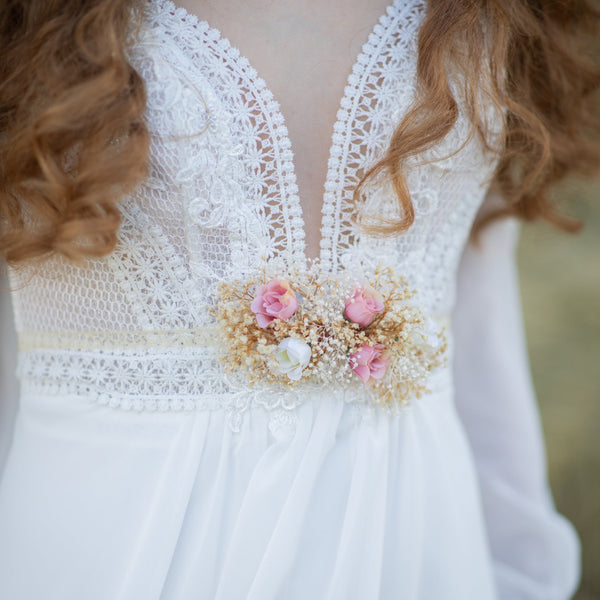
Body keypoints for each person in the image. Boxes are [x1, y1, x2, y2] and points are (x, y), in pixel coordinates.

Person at [0, 1, 598, 598]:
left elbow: (472, 327)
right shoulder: (34, 19)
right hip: (118, 542)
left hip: (412, 536)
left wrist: (516, 560)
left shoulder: (489, 13)